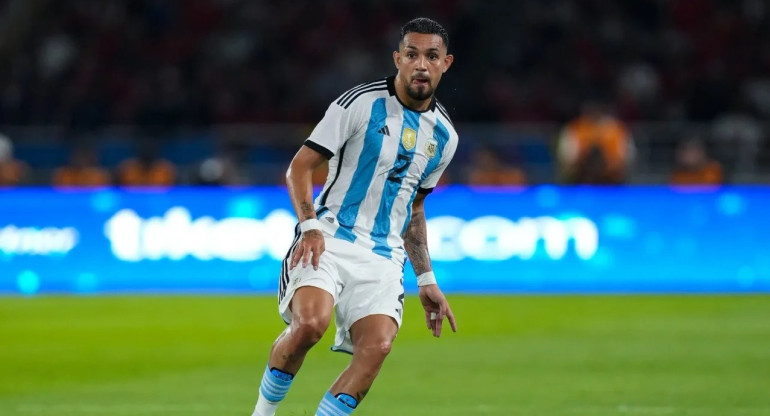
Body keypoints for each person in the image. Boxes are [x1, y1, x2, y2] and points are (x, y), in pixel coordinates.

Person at [251, 17, 458, 416]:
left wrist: (427, 277)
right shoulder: (358, 104)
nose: (420, 65)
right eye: (411, 54)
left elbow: (414, 207)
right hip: (328, 237)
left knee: (377, 346)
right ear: (397, 58)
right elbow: (299, 168)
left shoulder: (445, 137)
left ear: (445, 63)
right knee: (310, 325)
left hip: (383, 256)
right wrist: (309, 228)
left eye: (431, 56)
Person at [557, 100, 635, 184]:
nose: (594, 112)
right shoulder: (575, 129)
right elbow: (567, 160)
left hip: (611, 181)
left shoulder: (617, 129)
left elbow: (627, 157)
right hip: (581, 179)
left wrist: (610, 167)